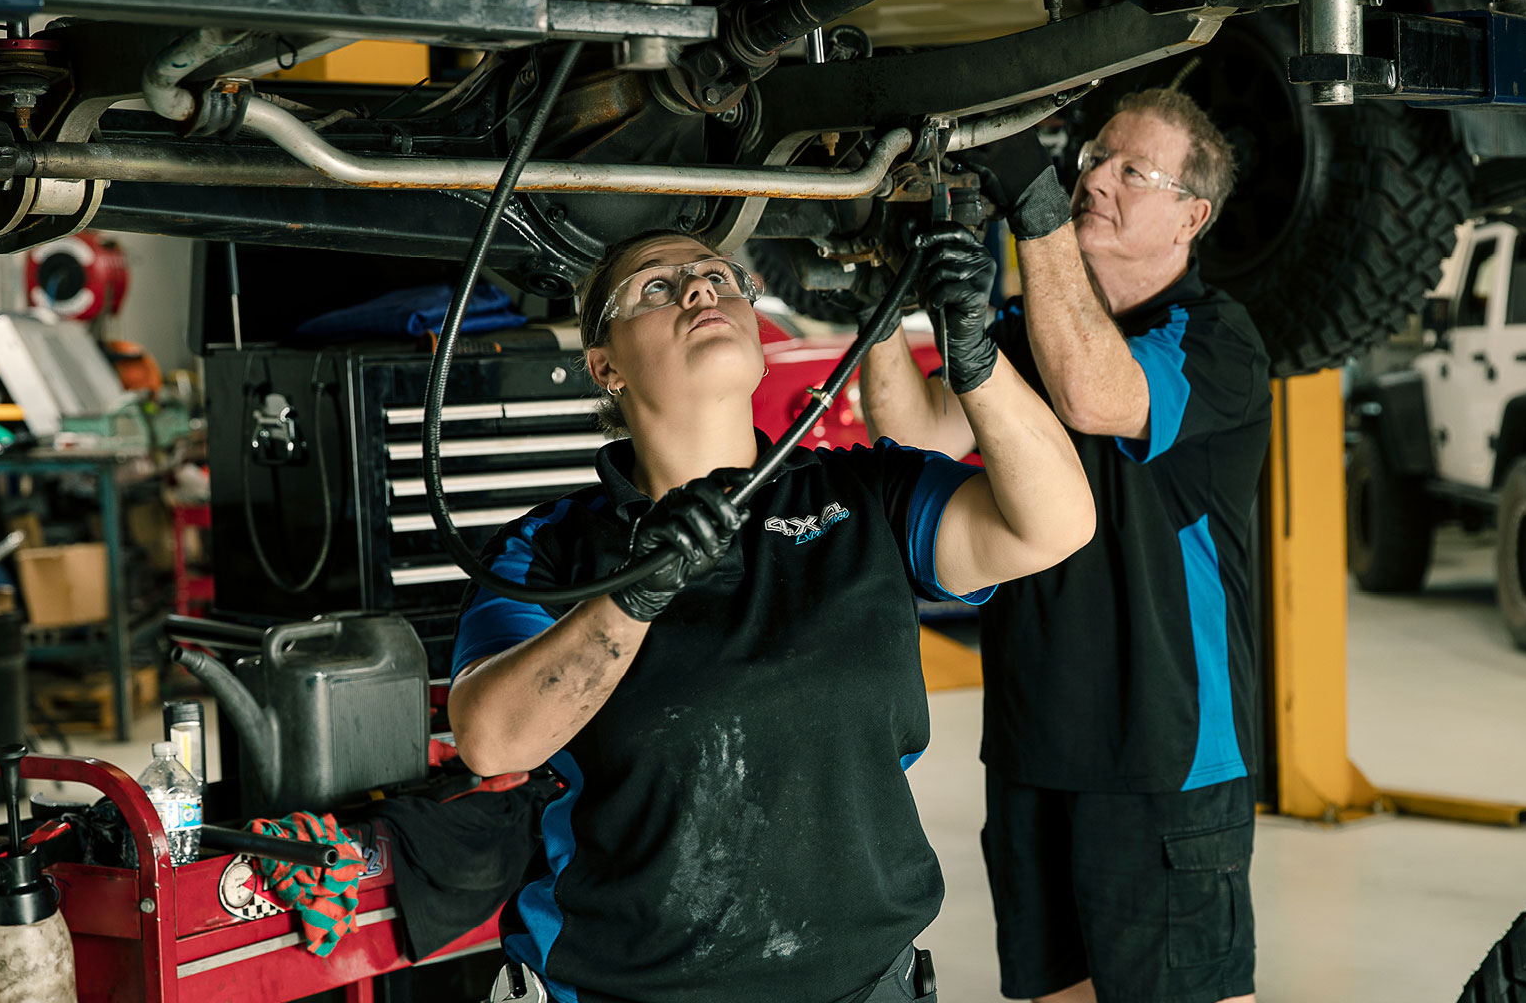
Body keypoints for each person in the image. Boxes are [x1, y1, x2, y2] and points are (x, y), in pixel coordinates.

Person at [448, 225, 1096, 1003]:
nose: (698, 291)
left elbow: (1055, 524)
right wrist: (633, 596)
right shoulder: (550, 550)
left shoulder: (867, 495)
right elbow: (491, 740)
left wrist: (977, 361)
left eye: (719, 278)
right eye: (657, 288)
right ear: (604, 366)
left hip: (864, 987)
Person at [859, 89, 1272, 1003]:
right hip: (1031, 746)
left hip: (1163, 757)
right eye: (1093, 159)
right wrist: (880, 300)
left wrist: (1033, 208)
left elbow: (1098, 394)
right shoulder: (1027, 335)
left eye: (1134, 170)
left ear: (1191, 217)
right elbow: (916, 435)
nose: (1097, 180)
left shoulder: (1215, 341)